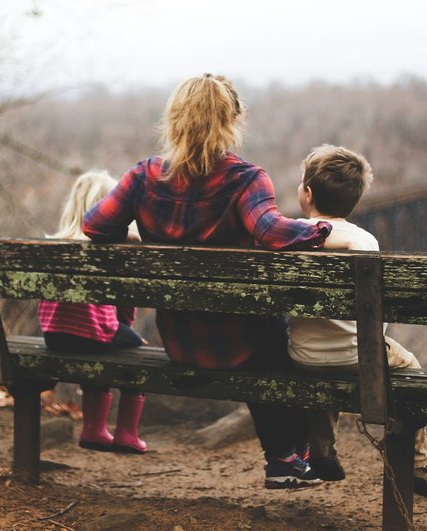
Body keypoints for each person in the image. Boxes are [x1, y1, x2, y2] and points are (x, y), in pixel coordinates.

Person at [83, 74, 333, 489]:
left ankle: (289, 458)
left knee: (267, 333)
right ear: (233, 120)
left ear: (174, 120)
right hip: (243, 345)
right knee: (279, 335)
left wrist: (134, 235)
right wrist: (321, 229)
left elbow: (94, 226)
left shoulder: (143, 177)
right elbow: (270, 231)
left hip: (180, 342)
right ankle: (287, 457)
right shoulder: (245, 179)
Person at [287, 144, 427, 498]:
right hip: (360, 357)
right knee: (410, 368)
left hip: (302, 356)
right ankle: (417, 462)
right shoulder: (365, 241)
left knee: (324, 362)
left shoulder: (289, 235)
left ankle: (321, 451)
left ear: (307, 194)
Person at [38, 170, 148, 454]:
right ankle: (126, 433)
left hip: (54, 336)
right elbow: (124, 303)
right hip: (93, 334)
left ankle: (94, 429)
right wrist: (128, 330)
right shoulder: (109, 248)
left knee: (101, 344)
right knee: (138, 352)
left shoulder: (55, 245)